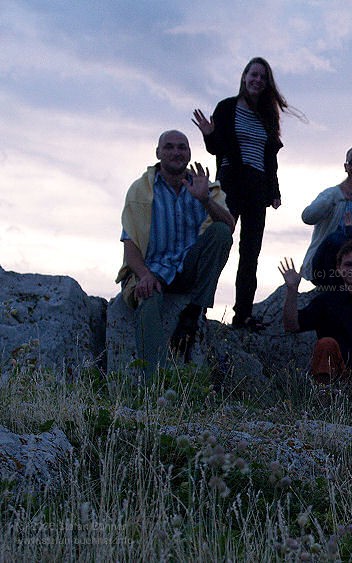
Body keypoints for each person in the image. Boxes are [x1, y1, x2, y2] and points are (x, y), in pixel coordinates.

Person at [115, 130, 235, 380]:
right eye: (168, 147)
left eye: (182, 147)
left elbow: (229, 225)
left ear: (189, 153)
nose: (176, 152)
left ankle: (194, 312)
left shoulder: (203, 186)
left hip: (187, 270)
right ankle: (155, 381)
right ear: (158, 153)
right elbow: (130, 243)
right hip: (153, 270)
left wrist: (205, 201)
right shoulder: (141, 190)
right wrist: (144, 276)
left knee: (220, 233)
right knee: (147, 300)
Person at [193, 56, 299, 331]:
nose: (257, 80)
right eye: (253, 75)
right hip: (230, 182)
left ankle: (243, 315)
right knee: (219, 242)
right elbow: (216, 148)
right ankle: (199, 306)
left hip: (257, 186)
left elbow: (270, 158)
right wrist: (207, 134)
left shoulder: (267, 115)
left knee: (251, 252)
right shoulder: (227, 107)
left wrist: (274, 191)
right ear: (244, 77)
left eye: (263, 77)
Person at [279, 241, 352, 415]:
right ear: (339, 268)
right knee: (326, 343)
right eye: (348, 264)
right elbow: (291, 325)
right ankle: (323, 406)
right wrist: (292, 290)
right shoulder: (326, 301)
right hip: (334, 378)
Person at [300, 146, 352, 284]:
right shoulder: (332, 194)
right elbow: (308, 217)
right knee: (338, 238)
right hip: (326, 268)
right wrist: (337, 195)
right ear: (346, 166)